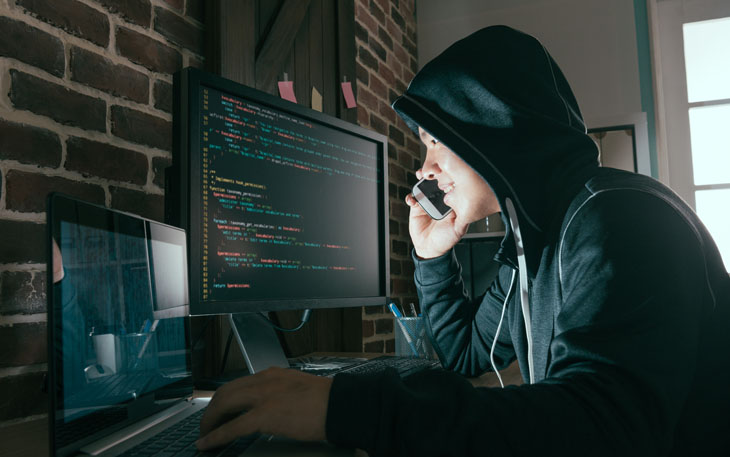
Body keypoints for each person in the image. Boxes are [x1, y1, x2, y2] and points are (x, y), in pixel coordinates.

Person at [196, 25, 730, 456]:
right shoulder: (535, 243)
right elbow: (465, 354)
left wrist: (351, 409)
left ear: (493, 124)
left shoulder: (618, 219)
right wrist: (432, 258)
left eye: (434, 141)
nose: (425, 168)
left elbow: (599, 430)